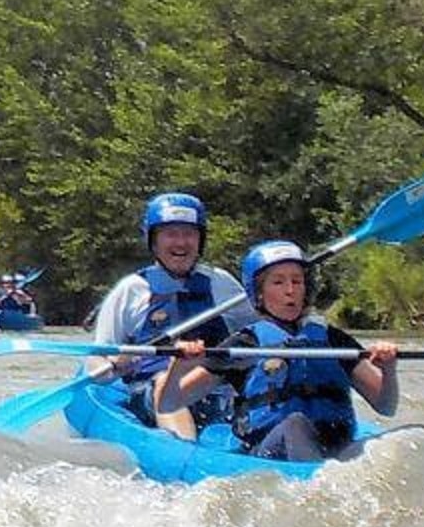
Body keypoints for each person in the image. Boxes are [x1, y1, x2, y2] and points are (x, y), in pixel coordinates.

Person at [156, 240, 400, 461]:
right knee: (295, 425)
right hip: (271, 451)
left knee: (409, 436)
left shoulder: (332, 338)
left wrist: (388, 369)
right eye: (278, 282)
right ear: (260, 294)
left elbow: (386, 407)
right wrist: (179, 365)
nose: (290, 290)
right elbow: (168, 404)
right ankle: (315, 487)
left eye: (297, 281)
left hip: (336, 450)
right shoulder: (245, 344)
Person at [87, 192, 258, 439]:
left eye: (189, 234)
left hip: (212, 389)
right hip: (151, 390)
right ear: (154, 242)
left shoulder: (222, 285)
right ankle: (182, 449)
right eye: (171, 234)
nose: (181, 243)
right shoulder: (132, 290)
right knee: (163, 381)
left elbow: (259, 335)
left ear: (200, 240)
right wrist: (112, 364)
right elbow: (98, 355)